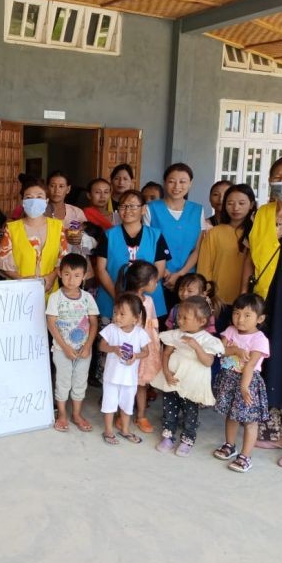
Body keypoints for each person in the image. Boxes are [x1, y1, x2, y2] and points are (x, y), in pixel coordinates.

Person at [241, 155, 282, 467]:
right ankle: (280, 433)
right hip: (268, 297)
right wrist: (244, 297)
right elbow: (251, 258)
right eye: (278, 175)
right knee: (271, 363)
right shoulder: (263, 213)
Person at [151, 297, 224, 456]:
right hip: (173, 379)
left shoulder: (207, 340)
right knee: (169, 408)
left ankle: (187, 440)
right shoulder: (175, 334)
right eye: (179, 316)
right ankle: (168, 436)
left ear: (201, 321)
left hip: (193, 383)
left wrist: (196, 346)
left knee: (191, 412)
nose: (180, 320)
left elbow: (208, 362)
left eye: (185, 317)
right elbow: (166, 354)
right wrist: (166, 373)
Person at [213, 293, 270, 473]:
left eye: (247, 315)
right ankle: (230, 445)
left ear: (259, 319)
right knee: (232, 414)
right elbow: (220, 350)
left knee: (250, 421)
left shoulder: (259, 339)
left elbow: (251, 365)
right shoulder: (230, 330)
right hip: (230, 379)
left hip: (248, 382)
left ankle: (245, 456)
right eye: (237, 313)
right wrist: (235, 350)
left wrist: (244, 387)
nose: (240, 319)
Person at [45, 253, 98, 433]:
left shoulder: (87, 298)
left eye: (77, 275)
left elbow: (93, 323)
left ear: (84, 276)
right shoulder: (55, 298)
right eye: (67, 274)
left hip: (84, 350)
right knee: (63, 381)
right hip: (62, 349)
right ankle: (62, 414)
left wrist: (88, 346)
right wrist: (65, 347)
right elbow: (51, 323)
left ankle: (76, 414)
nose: (71, 279)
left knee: (79, 382)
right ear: (60, 273)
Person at [95, 190, 169, 319]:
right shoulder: (108, 235)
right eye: (123, 206)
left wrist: (140, 295)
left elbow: (160, 270)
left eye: (133, 206)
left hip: (148, 300)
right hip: (111, 298)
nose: (127, 210)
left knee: (149, 337)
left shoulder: (156, 235)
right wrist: (118, 296)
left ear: (144, 209)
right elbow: (101, 269)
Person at [144, 163, 206, 308]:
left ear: (190, 183)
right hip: (158, 276)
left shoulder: (198, 210)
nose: (177, 186)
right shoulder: (151, 208)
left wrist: (180, 274)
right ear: (165, 183)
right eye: (172, 181)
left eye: (183, 181)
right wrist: (164, 272)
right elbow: (148, 245)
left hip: (188, 281)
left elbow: (197, 249)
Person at [0, 178, 67, 295]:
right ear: (23, 202)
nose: (34, 201)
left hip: (50, 292)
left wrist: (52, 277)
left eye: (39, 197)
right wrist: (21, 280)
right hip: (19, 293)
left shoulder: (58, 227)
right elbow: (3, 263)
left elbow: (63, 260)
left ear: (46, 201)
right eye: (29, 197)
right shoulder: (12, 228)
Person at [98, 292, 151, 445]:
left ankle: (125, 430)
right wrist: (113, 349)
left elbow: (146, 352)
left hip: (129, 379)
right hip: (111, 377)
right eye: (115, 313)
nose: (117, 317)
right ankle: (108, 431)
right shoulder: (111, 329)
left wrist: (135, 356)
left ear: (135, 318)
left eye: (122, 314)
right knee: (109, 404)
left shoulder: (140, 333)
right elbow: (101, 346)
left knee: (127, 406)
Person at [118, 260, 162, 434]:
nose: (156, 284)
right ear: (144, 282)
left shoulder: (149, 300)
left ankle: (141, 415)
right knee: (125, 383)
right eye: (155, 281)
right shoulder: (127, 301)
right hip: (129, 347)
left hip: (145, 348)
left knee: (141, 384)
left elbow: (153, 322)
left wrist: (155, 341)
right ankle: (122, 416)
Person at [197, 184, 257, 306]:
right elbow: (204, 268)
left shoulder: (256, 233)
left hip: (248, 302)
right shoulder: (215, 232)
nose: (235, 208)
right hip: (218, 300)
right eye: (230, 203)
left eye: (241, 203)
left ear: (251, 205)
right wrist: (208, 294)